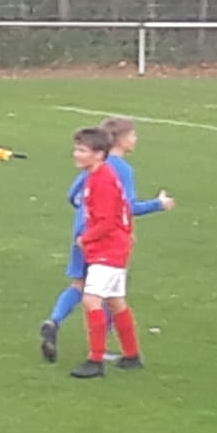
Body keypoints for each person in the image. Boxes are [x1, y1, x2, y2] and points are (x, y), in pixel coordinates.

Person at [40, 116, 173, 363]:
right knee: (105, 294)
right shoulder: (119, 169)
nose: (136, 139)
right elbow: (126, 208)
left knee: (81, 284)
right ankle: (100, 355)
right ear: (119, 140)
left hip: (82, 232)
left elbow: (73, 195)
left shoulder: (93, 166)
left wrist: (86, 213)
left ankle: (54, 320)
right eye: (132, 135)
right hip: (101, 238)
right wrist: (159, 204)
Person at [66, 126, 146, 379]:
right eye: (77, 149)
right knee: (115, 300)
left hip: (108, 249)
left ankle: (95, 360)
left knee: (91, 300)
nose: (76, 154)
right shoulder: (99, 174)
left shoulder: (102, 180)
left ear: (99, 154)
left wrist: (85, 239)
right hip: (114, 247)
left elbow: (107, 221)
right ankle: (132, 356)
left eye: (82, 150)